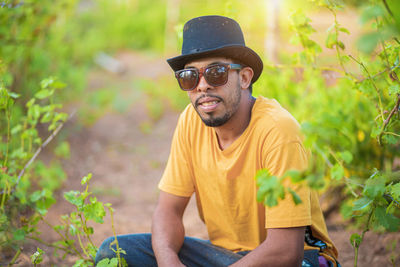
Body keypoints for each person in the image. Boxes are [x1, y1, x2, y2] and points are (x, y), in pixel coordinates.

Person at [95, 15, 339, 267]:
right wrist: (169, 263)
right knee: (115, 252)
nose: (202, 86)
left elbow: (286, 251)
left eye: (216, 73)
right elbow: (168, 210)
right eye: (190, 76)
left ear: (244, 78)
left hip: (294, 260)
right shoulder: (190, 121)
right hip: (225, 258)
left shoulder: (278, 131)